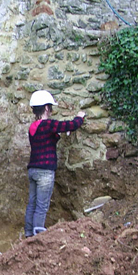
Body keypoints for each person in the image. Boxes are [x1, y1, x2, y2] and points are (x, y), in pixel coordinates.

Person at [24, 90, 86, 238]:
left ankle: (28, 235)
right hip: (45, 172)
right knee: (42, 206)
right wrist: (80, 116)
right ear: (46, 108)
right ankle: (37, 237)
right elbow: (71, 125)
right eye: (50, 106)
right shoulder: (48, 124)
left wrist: (58, 134)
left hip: (33, 170)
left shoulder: (33, 127)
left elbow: (47, 138)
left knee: (32, 204)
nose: (51, 109)